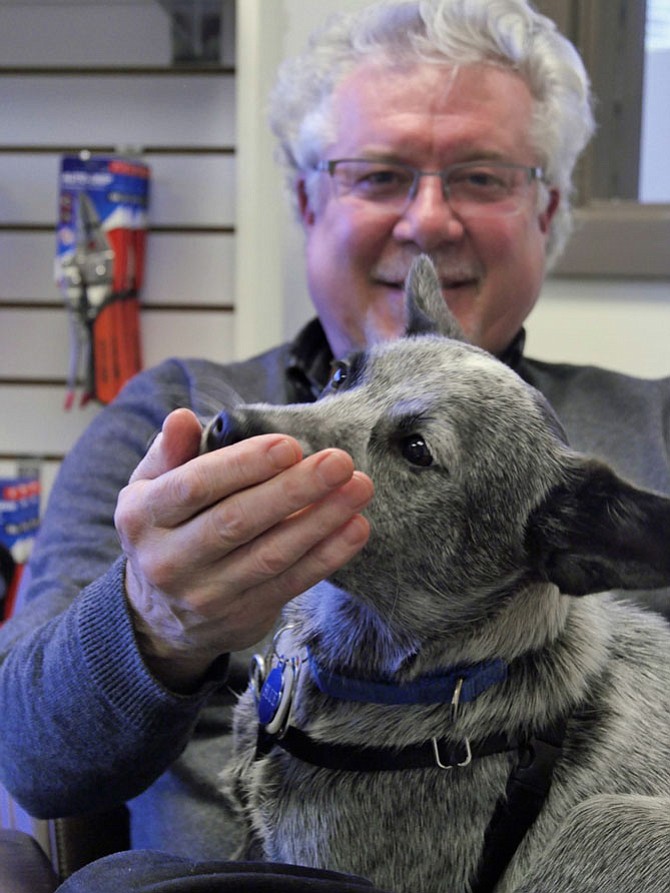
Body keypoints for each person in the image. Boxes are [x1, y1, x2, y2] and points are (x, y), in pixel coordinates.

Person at [0, 0, 668, 877]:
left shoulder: (655, 435)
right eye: (378, 174)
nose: (428, 220)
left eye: (483, 175)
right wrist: (157, 620)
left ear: (548, 211)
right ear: (308, 199)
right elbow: (31, 753)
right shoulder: (179, 413)